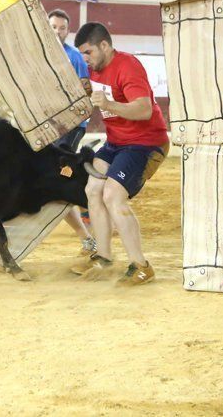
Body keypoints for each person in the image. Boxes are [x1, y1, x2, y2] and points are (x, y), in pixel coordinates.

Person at [70, 22, 169, 284]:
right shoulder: (95, 70)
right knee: (92, 189)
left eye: (88, 52)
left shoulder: (128, 66)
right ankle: (103, 257)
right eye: (82, 54)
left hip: (144, 142)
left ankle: (141, 265)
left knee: (113, 195)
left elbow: (144, 110)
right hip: (116, 141)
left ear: (105, 45)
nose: (85, 59)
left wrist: (109, 104)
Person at [48, 9, 96, 255]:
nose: (58, 32)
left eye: (62, 28)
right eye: (54, 27)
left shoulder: (74, 57)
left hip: (72, 125)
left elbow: (85, 89)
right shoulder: (39, 56)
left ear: (68, 31)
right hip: (49, 125)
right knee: (56, 175)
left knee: (61, 176)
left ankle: (90, 219)